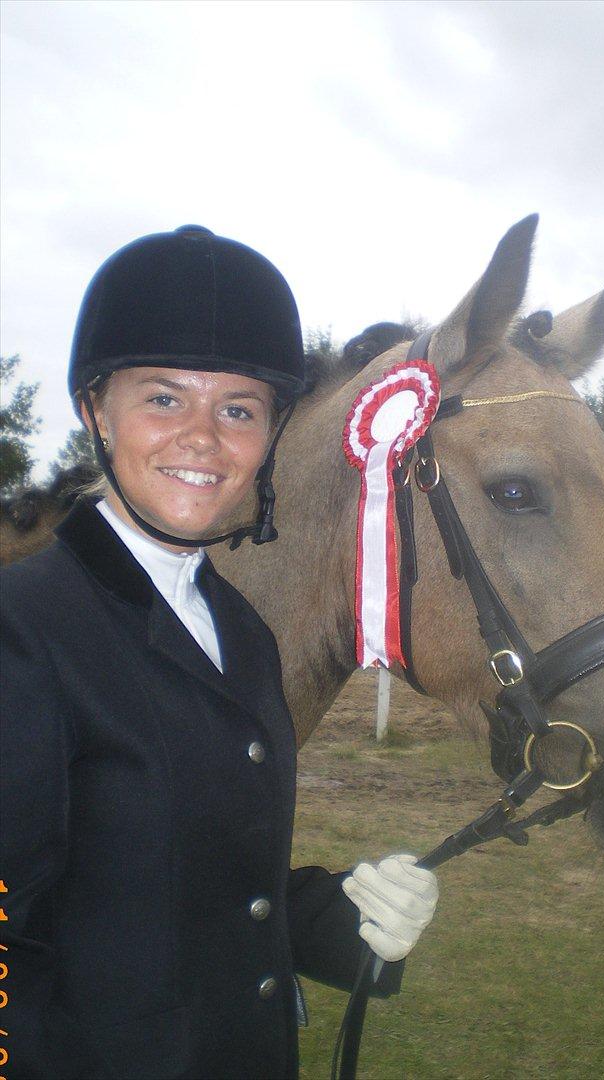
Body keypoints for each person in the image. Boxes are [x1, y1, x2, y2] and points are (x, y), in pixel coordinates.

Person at [0, 225, 439, 1080]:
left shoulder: (239, 631)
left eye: (238, 409)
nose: (202, 438)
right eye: (164, 399)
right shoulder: (22, 628)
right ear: (96, 410)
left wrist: (350, 923)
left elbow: (202, 886)